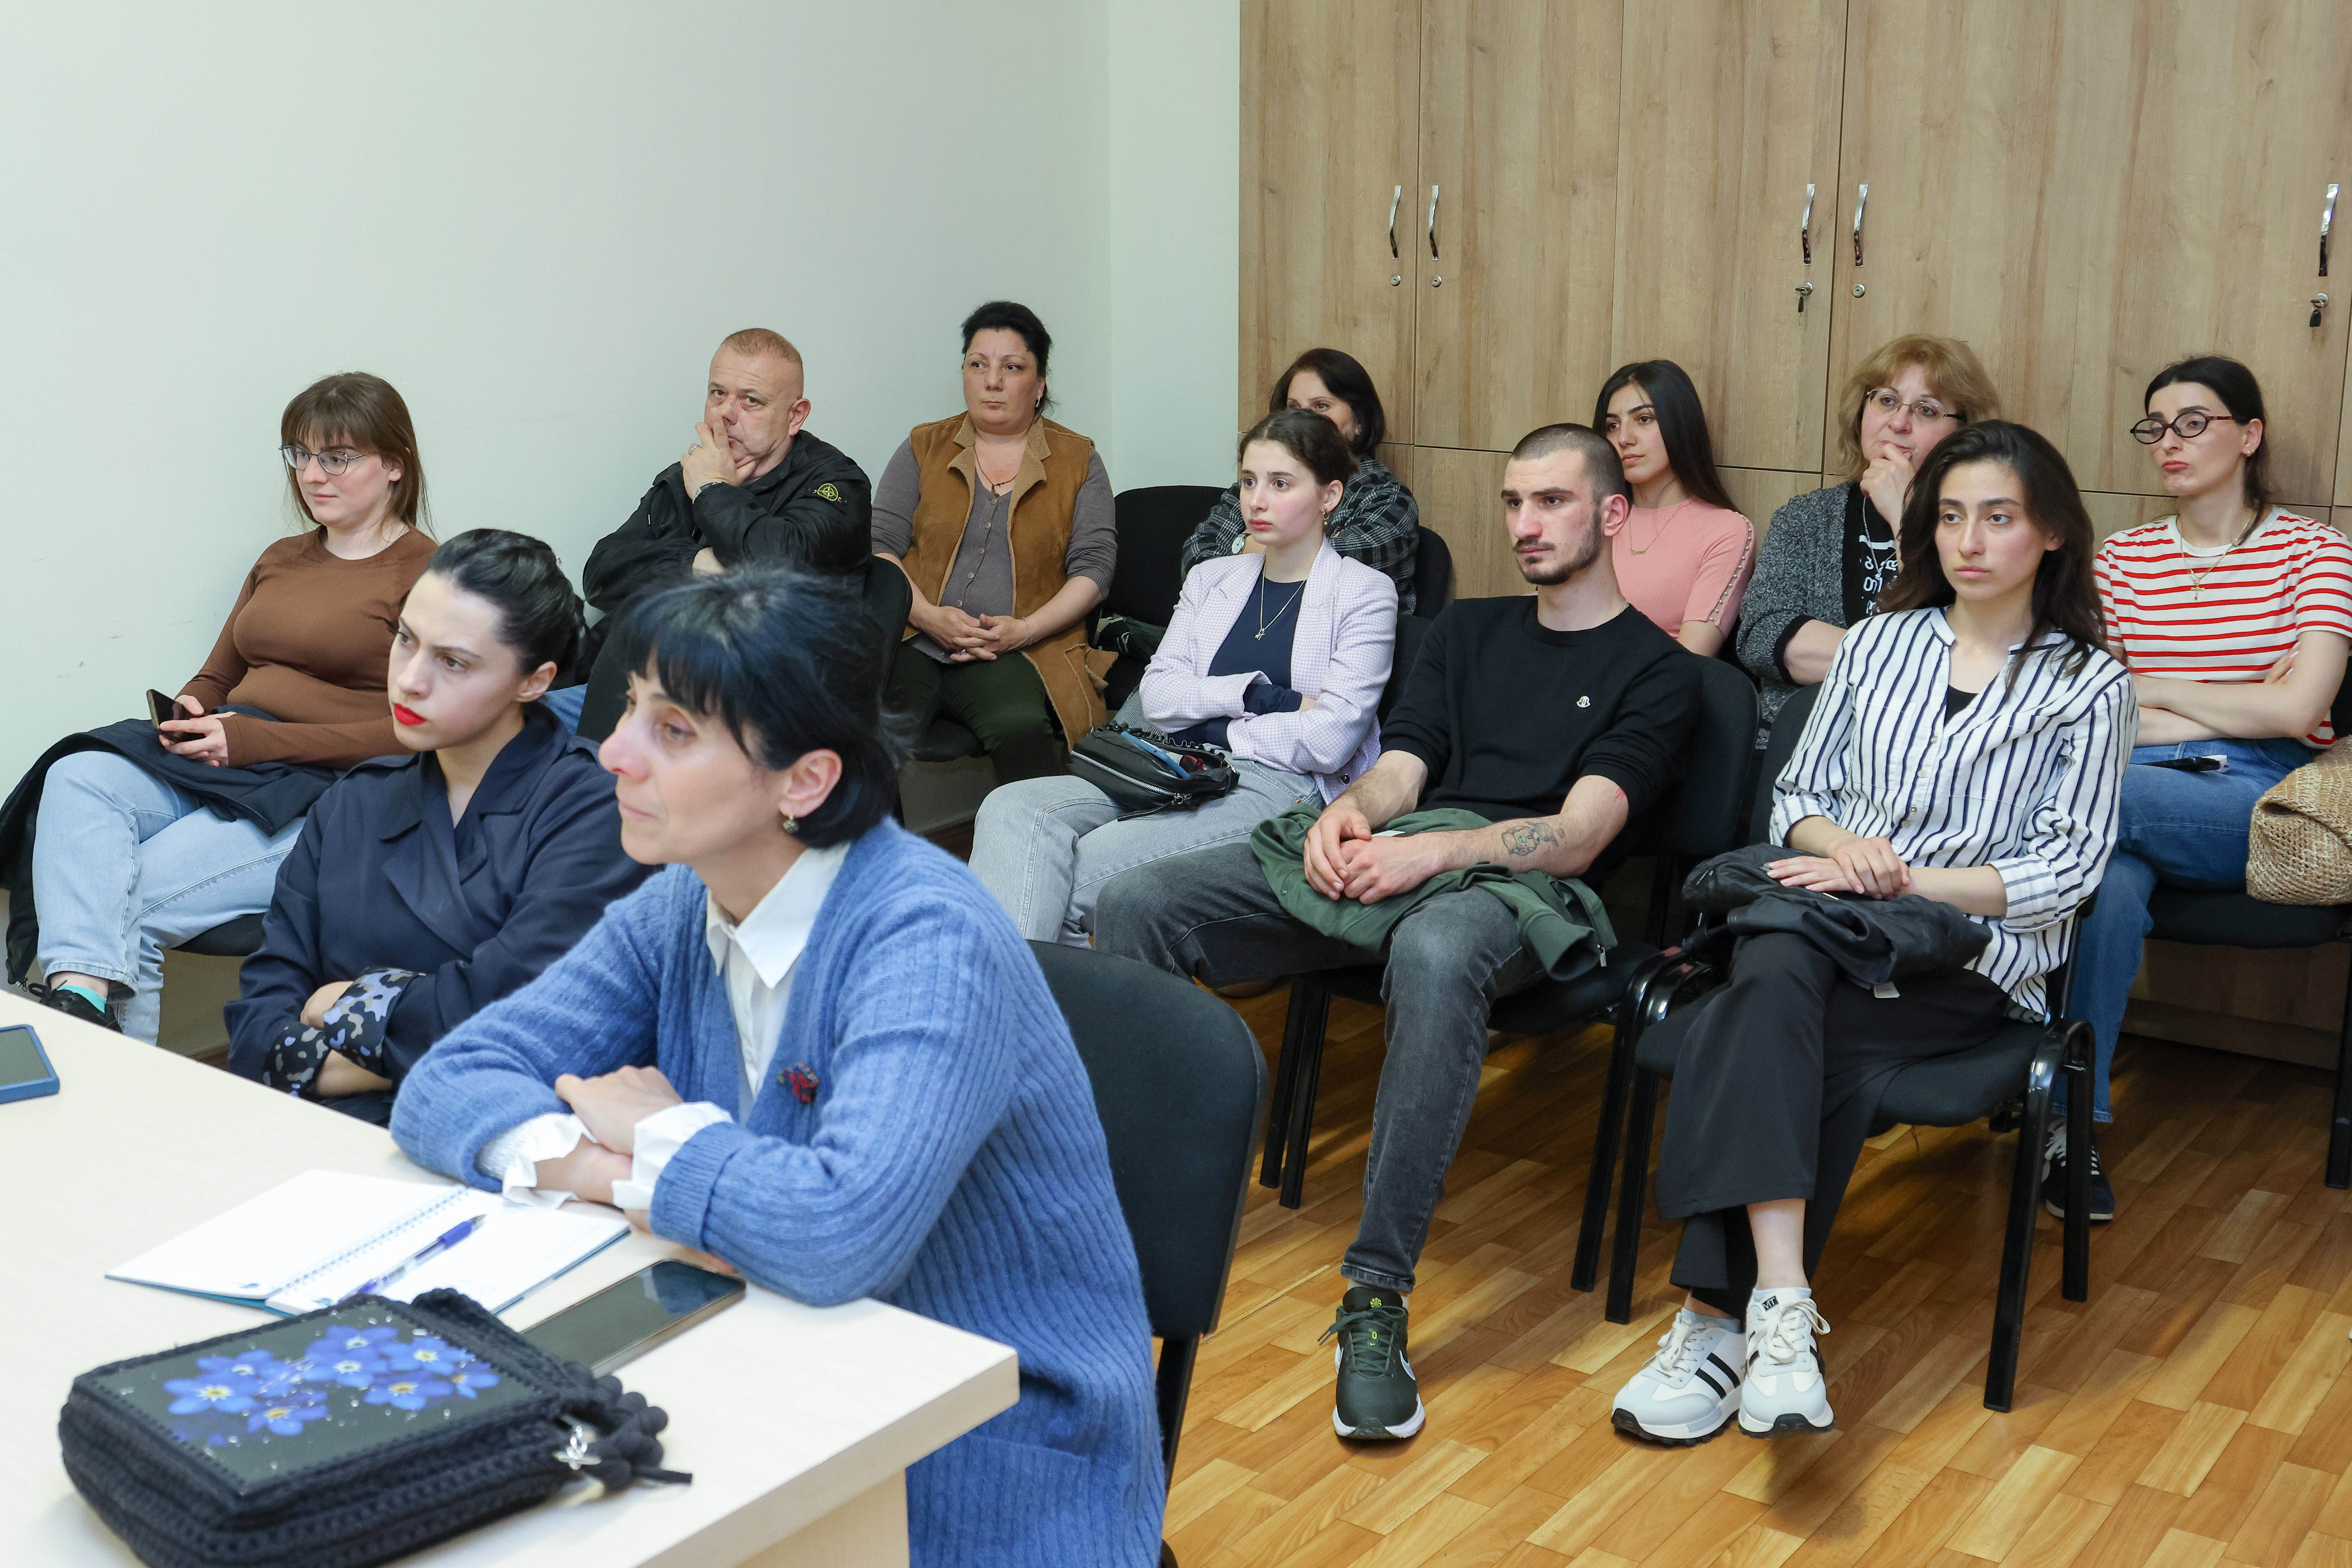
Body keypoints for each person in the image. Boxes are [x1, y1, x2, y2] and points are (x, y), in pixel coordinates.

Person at [390, 570, 1163, 1567]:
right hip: (776, 1358)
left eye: (673, 731)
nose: (613, 753)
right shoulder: (687, 895)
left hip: (985, 1447)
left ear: (804, 781)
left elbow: (835, 1232)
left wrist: (662, 1134)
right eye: (630, 710)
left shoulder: (929, 936)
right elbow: (448, 1080)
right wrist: (607, 1168)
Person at [1096, 424, 1699, 1442]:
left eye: (1551, 501)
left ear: (1610, 513)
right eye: (1513, 502)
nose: (1525, 523)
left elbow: (1578, 834)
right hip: (1399, 854)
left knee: (1434, 947)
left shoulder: (1659, 670)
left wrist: (1431, 857)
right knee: (1137, 900)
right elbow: (1405, 765)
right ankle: (1119, 1231)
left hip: (1518, 893)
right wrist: (1350, 816)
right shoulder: (1467, 631)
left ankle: (1375, 1294)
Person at [1610, 421, 2129, 1446]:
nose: (1968, 540)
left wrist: (1900, 876)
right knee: (1785, 979)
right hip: (1829, 924)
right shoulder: (1880, 643)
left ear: (2053, 533)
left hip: (1966, 965)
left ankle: (1712, 1323)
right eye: (1949, 516)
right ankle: (1778, 1313)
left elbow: (2066, 870)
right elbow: (1796, 796)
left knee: (1766, 1008)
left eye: (1997, 517)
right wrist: (1840, 845)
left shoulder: (2089, 684)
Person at [21, 373, 436, 1041]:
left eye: (338, 457)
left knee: (127, 902)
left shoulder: (430, 576)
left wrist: (251, 743)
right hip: (236, 759)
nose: (312, 475)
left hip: (333, 789)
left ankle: (113, 1084)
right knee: (78, 774)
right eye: (301, 454)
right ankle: (80, 1006)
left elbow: (417, 733)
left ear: (395, 464)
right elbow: (222, 672)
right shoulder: (283, 557)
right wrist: (195, 706)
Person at [227, 531, 655, 1123]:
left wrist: (347, 1001)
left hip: (492, 1132)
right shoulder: (353, 802)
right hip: (315, 1124)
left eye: (452, 662)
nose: (410, 680)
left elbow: (515, 1013)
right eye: (405, 640)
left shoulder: (594, 808)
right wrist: (382, 1034)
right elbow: (258, 1015)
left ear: (534, 681)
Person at [2061, 357, 2352, 1221]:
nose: (2169, 441)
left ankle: (1977, 1028)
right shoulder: (2123, 558)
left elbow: (2299, 710)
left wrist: (2157, 689)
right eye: (2155, 425)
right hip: (2132, 774)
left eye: (2194, 422)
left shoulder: (2317, 553)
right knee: (2106, 883)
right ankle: (2071, 1130)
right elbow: (2094, 710)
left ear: (2249, 435)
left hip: (2255, 792)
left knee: (2069, 809)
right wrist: (2236, 700)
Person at [970, 409, 1397, 945]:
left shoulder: (1364, 593)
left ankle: (1014, 990)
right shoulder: (1211, 578)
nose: (1256, 501)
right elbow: (1159, 696)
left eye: (1281, 484)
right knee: (1011, 808)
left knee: (1083, 867)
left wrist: (1208, 722)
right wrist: (1262, 698)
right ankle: (1034, 990)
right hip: (1173, 764)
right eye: (1249, 481)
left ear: (1329, 496)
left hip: (1279, 786)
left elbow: (1330, 742)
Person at [569, 327, 873, 738]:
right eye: (718, 393)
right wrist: (697, 564)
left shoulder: (837, 482)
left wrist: (713, 490)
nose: (726, 413)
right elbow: (603, 573)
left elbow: (781, 562)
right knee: (519, 720)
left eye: (751, 400)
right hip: (650, 679)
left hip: (768, 699)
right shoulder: (689, 474)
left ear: (795, 416)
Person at [873, 301, 1116, 783]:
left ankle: (1034, 829)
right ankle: (871, 837)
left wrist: (1024, 630)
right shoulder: (923, 446)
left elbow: (1095, 568)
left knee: (1019, 727)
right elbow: (879, 545)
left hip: (1020, 648)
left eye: (1012, 368)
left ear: (1040, 384)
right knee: (867, 732)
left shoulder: (1078, 459)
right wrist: (927, 616)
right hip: (915, 635)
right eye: (978, 365)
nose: (992, 381)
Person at [1737, 335, 2001, 730]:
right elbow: (1762, 636)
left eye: (1927, 410)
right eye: (1887, 400)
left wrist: (1904, 516)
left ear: (1964, 434)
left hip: (1929, 746)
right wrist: (1903, 664)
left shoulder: (1979, 530)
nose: (1899, 423)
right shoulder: (1807, 517)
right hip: (1796, 738)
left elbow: (1970, 648)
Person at [1178, 348, 1423, 612]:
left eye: (1321, 406)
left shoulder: (1387, 499)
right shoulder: (1255, 484)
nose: (1304, 419)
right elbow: (1197, 563)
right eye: (1294, 408)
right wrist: (1264, 547)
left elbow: (1319, 573)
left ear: (1359, 423)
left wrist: (1246, 544)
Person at [1595, 359, 1755, 656]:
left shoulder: (1726, 530)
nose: (1624, 439)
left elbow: (1693, 660)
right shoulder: (1596, 519)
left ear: (1679, 425)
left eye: (1644, 419)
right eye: (1613, 425)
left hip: (1655, 683)